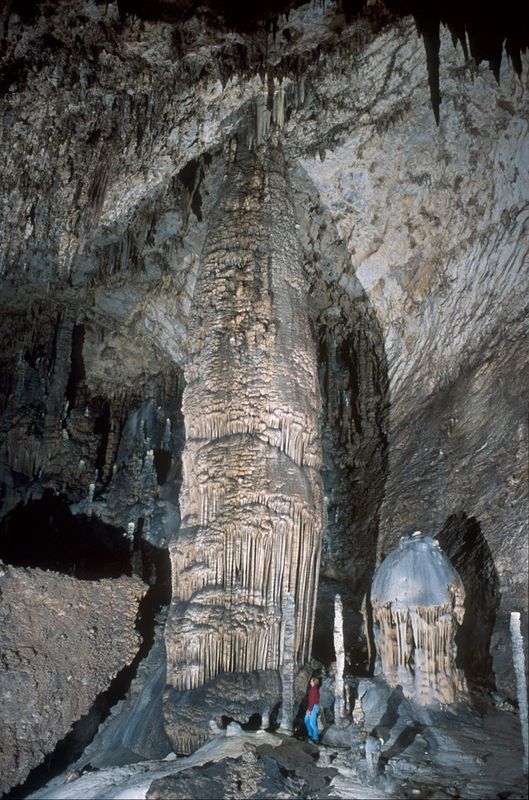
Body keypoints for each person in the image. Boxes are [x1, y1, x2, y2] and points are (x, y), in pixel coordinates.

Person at [304, 676, 320, 743]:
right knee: (306, 719)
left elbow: (312, 701)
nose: (310, 682)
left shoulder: (314, 690)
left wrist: (309, 710)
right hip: (312, 706)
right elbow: (311, 701)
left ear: (314, 682)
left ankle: (316, 738)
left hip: (314, 707)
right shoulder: (313, 689)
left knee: (312, 723)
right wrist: (308, 708)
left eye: (311, 681)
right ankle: (310, 734)